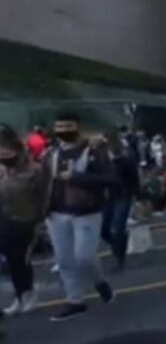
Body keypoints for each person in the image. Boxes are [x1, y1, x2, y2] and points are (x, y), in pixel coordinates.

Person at [43, 112, 116, 322]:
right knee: (64, 259)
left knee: (84, 256)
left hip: (86, 212)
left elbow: (111, 179)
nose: (64, 131)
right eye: (59, 127)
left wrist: (77, 178)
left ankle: (100, 281)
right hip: (56, 213)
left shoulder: (94, 150)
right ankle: (75, 300)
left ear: (78, 127)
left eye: (68, 126)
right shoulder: (51, 153)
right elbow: (43, 182)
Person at [0, 126, 45, 314]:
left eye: (7, 153)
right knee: (11, 260)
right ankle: (20, 295)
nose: (3, 156)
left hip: (28, 220)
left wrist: (41, 222)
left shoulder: (35, 171)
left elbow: (44, 196)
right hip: (6, 218)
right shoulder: (3, 171)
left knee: (21, 258)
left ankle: (29, 292)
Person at [101, 129, 140, 271]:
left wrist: (136, 195)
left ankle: (118, 257)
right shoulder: (103, 161)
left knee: (118, 226)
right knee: (103, 229)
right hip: (108, 197)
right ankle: (119, 243)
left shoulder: (126, 159)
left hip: (123, 196)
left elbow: (134, 179)